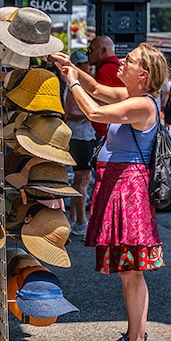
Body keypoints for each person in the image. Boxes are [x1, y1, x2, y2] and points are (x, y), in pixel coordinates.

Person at [51, 42, 168, 341]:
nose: (123, 63)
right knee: (129, 272)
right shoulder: (134, 99)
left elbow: (95, 111)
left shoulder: (143, 105)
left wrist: (72, 81)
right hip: (122, 188)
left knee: (132, 271)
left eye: (129, 61)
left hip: (128, 191)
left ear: (142, 75)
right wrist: (71, 71)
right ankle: (135, 339)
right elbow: (99, 89)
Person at [64, 50, 95, 238]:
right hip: (80, 136)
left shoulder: (79, 84)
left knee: (79, 180)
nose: (88, 66)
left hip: (83, 135)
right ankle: (81, 221)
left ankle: (76, 218)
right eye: (84, 63)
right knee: (82, 179)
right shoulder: (74, 85)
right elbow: (68, 112)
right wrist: (90, 113)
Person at [87, 35, 125, 138]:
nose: (88, 54)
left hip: (106, 131)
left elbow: (98, 101)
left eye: (91, 50)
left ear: (102, 51)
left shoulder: (105, 71)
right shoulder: (117, 68)